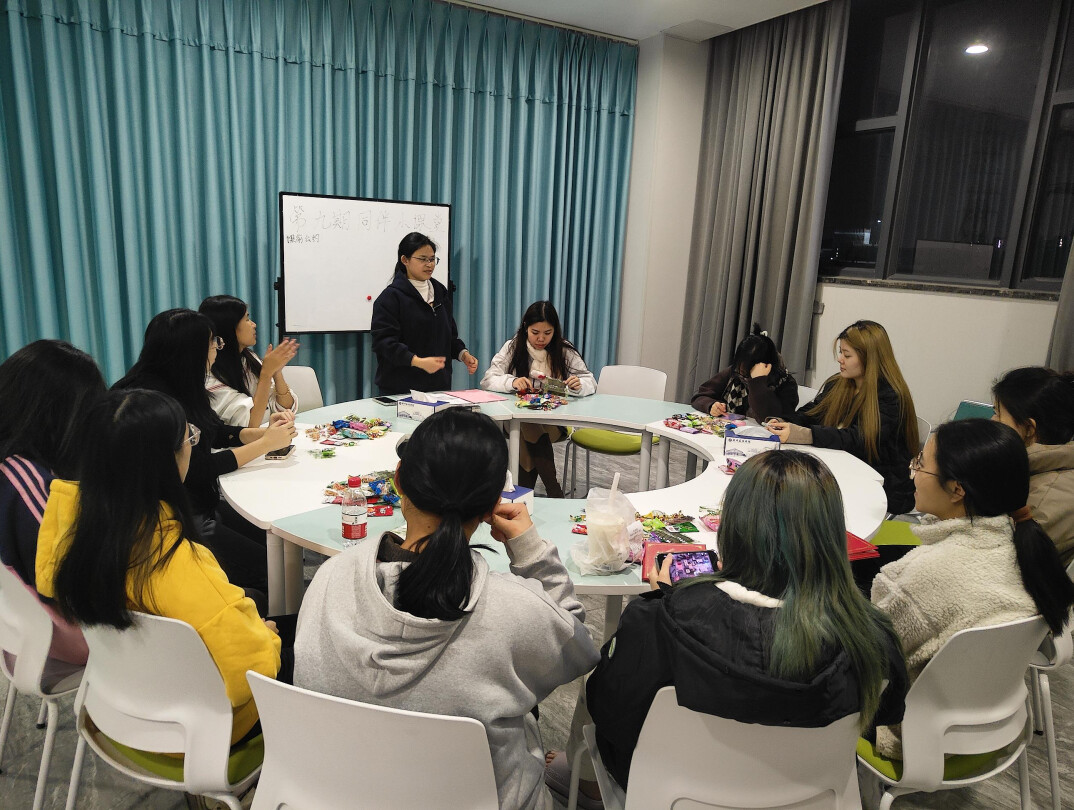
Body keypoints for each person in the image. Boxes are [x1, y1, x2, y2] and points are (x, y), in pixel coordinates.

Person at [294, 408, 599, 810]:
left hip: (340, 797)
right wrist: (530, 548)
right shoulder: (514, 611)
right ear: (492, 506)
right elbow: (579, 647)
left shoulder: (329, 579)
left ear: (399, 480)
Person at [573, 451, 907, 795]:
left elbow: (608, 708)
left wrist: (667, 599)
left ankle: (583, 787)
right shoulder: (873, 637)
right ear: (832, 534)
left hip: (675, 793)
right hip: (810, 796)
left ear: (732, 528)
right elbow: (886, 712)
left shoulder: (658, 622)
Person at [36, 389, 282, 744]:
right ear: (165, 462)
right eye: (189, 438)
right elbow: (253, 670)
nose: (192, 445)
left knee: (255, 599)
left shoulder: (73, 529)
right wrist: (268, 638)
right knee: (306, 640)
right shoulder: (179, 561)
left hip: (121, 709)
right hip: (202, 735)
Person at [870, 419, 1074, 758]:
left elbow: (868, 661)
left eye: (921, 463)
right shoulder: (1028, 554)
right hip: (994, 724)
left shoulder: (918, 578)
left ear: (956, 490)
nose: (913, 471)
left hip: (913, 733)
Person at [114, 309, 297, 600]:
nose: (217, 349)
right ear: (192, 351)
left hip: (198, 502)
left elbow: (212, 429)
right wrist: (263, 445)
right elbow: (197, 469)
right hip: (171, 519)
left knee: (279, 544)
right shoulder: (153, 402)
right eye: (214, 343)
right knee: (271, 567)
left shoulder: (179, 381)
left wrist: (254, 435)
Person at [0, 340, 106, 666]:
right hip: (69, 635)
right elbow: (73, 579)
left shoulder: (17, 464)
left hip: (24, 626)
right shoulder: (24, 481)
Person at [768, 320, 919, 514]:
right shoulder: (838, 384)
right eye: (840, 352)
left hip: (882, 485)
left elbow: (859, 439)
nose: (840, 359)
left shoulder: (891, 396)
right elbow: (812, 412)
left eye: (847, 355)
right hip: (845, 471)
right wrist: (785, 422)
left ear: (869, 358)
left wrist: (806, 435)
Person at [480, 300, 596, 497]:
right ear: (525, 327)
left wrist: (578, 386)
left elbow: (590, 380)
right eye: (535, 332)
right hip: (516, 422)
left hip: (554, 424)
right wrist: (512, 382)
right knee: (527, 422)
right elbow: (488, 379)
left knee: (527, 432)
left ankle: (523, 498)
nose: (541, 338)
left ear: (555, 331)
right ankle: (553, 490)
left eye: (547, 333)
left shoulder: (564, 350)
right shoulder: (513, 347)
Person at [371, 232, 478, 394]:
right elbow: (384, 344)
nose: (429, 265)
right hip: (400, 389)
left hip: (439, 388)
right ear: (405, 260)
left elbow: (449, 336)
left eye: (432, 259)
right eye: (423, 259)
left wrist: (463, 354)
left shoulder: (440, 292)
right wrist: (417, 362)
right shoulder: (390, 298)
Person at [992, 366, 1074, 566]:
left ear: (1029, 429)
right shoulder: (1032, 471)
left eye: (998, 414)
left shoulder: (1048, 499)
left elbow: (999, 564)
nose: (992, 421)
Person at [199, 295, 300, 428]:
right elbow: (249, 426)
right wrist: (266, 374)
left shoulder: (248, 358)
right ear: (229, 328)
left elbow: (285, 407)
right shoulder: (209, 377)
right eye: (247, 319)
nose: (254, 324)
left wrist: (276, 372)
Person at [689, 323, 798, 421]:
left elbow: (769, 419)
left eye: (747, 370)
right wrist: (711, 405)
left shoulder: (786, 384)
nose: (742, 374)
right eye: (740, 367)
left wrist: (758, 382)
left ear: (767, 366)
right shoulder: (735, 373)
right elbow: (699, 397)